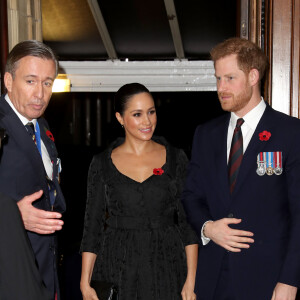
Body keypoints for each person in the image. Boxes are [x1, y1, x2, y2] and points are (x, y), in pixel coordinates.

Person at [181, 37, 300, 300]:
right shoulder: (205, 134)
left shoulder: (291, 133)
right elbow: (191, 196)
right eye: (218, 79)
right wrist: (208, 228)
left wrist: (289, 281)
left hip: (268, 282)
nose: (221, 87)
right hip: (212, 281)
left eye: (230, 78)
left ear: (253, 76)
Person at [80, 83, 199, 300]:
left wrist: (191, 280)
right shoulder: (101, 164)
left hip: (168, 265)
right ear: (120, 118)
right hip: (117, 266)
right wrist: (85, 282)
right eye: (137, 114)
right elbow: (92, 227)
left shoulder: (176, 158)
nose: (147, 121)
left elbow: (187, 224)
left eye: (151, 112)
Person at [0, 40, 66, 299]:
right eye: (30, 81)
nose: (40, 93)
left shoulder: (42, 126)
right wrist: (10, 217)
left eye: (47, 82)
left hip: (45, 272)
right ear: (8, 81)